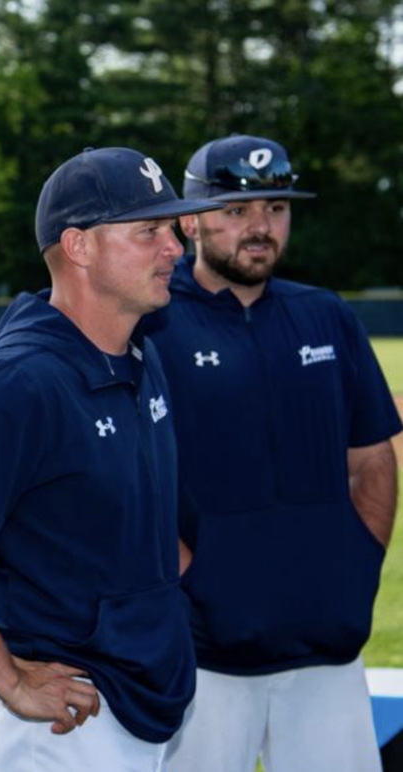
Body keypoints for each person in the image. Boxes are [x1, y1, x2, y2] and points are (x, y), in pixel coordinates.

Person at [0, 147, 220, 771]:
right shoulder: (19, 378)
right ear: (79, 247)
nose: (174, 249)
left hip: (142, 697)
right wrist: (10, 680)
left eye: (173, 229)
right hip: (61, 723)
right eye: (149, 230)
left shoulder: (138, 356)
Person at [144, 134, 401, 772]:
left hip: (327, 649)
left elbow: (371, 459)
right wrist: (190, 582)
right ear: (191, 221)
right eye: (237, 210)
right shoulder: (152, 319)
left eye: (276, 208)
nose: (261, 226)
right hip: (204, 656)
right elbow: (126, 473)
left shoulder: (327, 316)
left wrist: (357, 563)